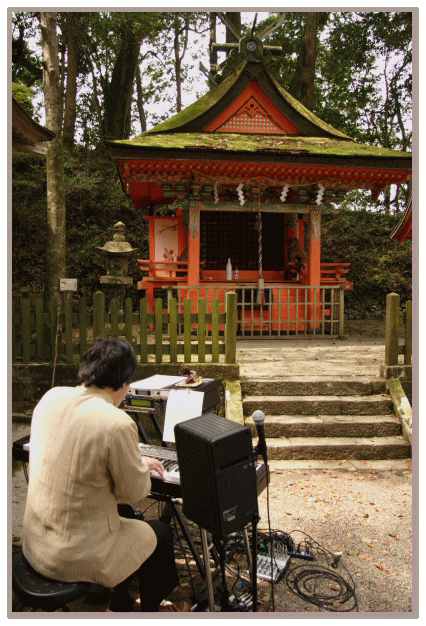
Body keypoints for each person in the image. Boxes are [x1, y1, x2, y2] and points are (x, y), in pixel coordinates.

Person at [22, 337, 183, 612]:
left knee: (127, 518)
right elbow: (134, 493)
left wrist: (132, 461)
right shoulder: (116, 422)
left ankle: (121, 602)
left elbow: (78, 453)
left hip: (35, 544)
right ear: (124, 384)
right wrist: (139, 466)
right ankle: (149, 611)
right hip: (71, 556)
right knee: (160, 532)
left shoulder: (51, 397)